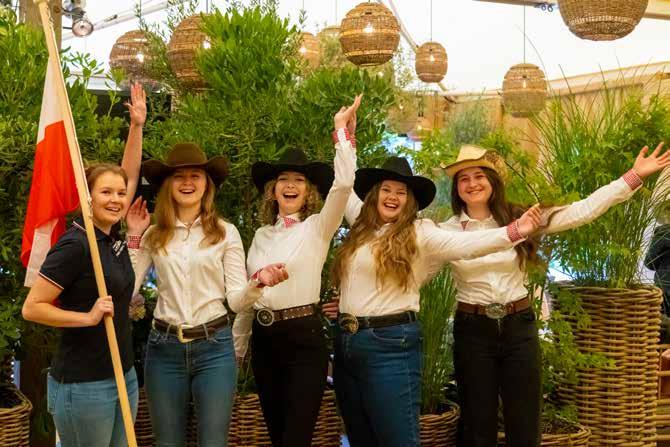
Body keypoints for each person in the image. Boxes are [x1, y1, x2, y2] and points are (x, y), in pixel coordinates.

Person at [439, 143, 669, 447]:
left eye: (479, 175)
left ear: (493, 181)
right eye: (463, 179)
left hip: (517, 326)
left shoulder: (522, 217)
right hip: (473, 329)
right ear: (457, 189)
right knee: (476, 424)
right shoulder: (447, 231)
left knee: (525, 421)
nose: (472, 184)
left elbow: (580, 211)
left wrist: (633, 177)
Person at [323, 152, 543, 447]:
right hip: (348, 342)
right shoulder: (361, 224)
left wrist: (514, 231)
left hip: (390, 342)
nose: (392, 197)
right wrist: (345, 141)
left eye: (401, 192)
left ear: (410, 201)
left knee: (398, 438)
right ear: (374, 195)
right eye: (386, 189)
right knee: (360, 436)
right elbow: (342, 185)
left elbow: (469, 245)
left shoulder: (421, 232)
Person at [124, 141, 288, 447]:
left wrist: (258, 282)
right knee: (167, 443)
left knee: (213, 441)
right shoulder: (154, 234)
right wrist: (134, 235)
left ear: (207, 184)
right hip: (164, 348)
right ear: (168, 185)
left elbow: (236, 300)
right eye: (179, 176)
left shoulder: (226, 233)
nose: (187, 182)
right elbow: (127, 288)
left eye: (195, 176)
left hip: (214, 349)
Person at [231, 95, 361, 447]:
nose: (290, 185)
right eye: (283, 179)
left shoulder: (319, 226)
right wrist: (238, 350)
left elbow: (343, 186)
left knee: (295, 439)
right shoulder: (260, 235)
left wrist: (342, 135)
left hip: (304, 339)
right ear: (272, 191)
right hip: (264, 341)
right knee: (277, 437)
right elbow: (248, 298)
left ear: (309, 192)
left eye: (299, 180)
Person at [22, 82, 146, 447]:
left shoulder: (111, 235)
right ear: (87, 197)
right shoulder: (75, 244)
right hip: (84, 385)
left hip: (123, 375)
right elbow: (32, 308)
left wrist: (136, 127)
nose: (116, 199)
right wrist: (87, 317)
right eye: (105, 192)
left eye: (120, 193)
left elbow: (128, 174)